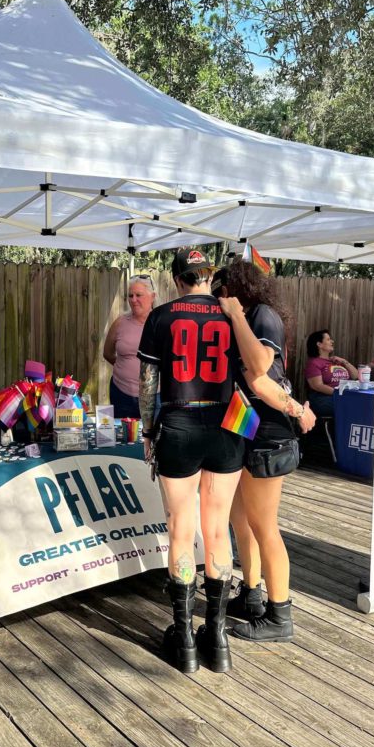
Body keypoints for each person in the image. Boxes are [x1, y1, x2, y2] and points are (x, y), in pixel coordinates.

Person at [137, 248, 244, 674]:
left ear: (178, 279)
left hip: (179, 423)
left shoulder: (161, 316)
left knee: (181, 530)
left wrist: (148, 431)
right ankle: (215, 640)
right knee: (218, 531)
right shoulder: (230, 314)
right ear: (207, 277)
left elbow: (148, 384)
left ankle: (184, 641)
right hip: (225, 424)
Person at [215, 263, 315, 642]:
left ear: (239, 288)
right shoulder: (248, 317)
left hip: (269, 434)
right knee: (242, 520)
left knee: (264, 526)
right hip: (246, 428)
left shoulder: (261, 315)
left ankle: (279, 614)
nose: (218, 296)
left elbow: (259, 371)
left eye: (222, 288)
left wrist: (299, 411)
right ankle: (253, 593)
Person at [103, 274, 157, 418]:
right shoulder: (120, 323)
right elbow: (107, 353)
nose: (133, 300)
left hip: (154, 396)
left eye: (138, 295)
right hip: (121, 394)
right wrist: (126, 368)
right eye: (130, 295)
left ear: (152, 296)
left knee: (152, 438)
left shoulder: (162, 323)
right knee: (123, 437)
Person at [304, 329, 359, 417]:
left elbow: (356, 376)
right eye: (328, 339)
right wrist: (340, 394)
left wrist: (344, 361)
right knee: (355, 406)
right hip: (324, 398)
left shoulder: (337, 361)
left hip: (343, 396)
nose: (332, 341)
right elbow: (318, 386)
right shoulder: (314, 363)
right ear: (319, 344)